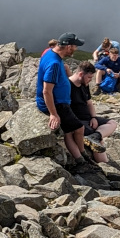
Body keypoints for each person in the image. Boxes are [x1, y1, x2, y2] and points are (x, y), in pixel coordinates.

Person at [35, 33, 86, 171]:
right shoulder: (54, 64)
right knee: (79, 128)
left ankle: (80, 157)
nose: (76, 49)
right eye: (75, 46)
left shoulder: (50, 54)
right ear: (68, 46)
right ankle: (82, 158)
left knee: (69, 131)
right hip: (57, 104)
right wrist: (53, 114)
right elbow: (47, 91)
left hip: (59, 101)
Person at [68, 62, 118, 164]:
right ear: (81, 74)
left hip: (89, 118)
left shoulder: (84, 84)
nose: (90, 80)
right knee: (101, 149)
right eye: (89, 77)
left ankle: (95, 136)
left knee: (112, 123)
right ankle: (102, 162)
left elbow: (89, 103)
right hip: (79, 121)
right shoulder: (68, 86)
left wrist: (94, 117)